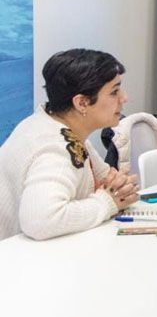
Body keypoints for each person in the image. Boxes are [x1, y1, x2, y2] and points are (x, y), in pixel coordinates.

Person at [0, 49, 139, 241]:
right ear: (82, 103)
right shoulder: (56, 148)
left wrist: (119, 186)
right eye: (114, 92)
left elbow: (108, 179)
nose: (124, 98)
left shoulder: (54, 126)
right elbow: (40, 220)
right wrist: (107, 202)